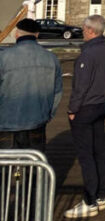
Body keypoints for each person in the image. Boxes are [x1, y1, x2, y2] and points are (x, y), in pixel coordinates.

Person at [65, 14, 105, 219]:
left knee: (86, 156)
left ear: (90, 30)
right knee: (99, 152)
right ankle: (101, 195)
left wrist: (72, 109)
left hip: (85, 108)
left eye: (84, 29)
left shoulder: (87, 54)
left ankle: (90, 200)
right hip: (101, 105)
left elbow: (81, 86)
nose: (82, 32)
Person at [0, 17, 62, 152]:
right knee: (35, 162)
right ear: (37, 35)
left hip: (7, 122)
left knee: (6, 162)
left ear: (17, 34)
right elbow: (57, 92)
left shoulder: (3, 57)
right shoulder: (51, 58)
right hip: (37, 121)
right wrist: (48, 115)